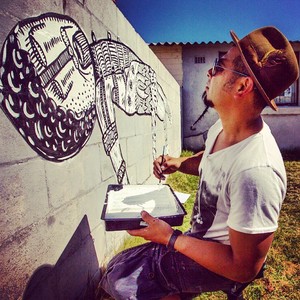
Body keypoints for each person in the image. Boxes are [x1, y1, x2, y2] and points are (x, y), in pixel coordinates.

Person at [100, 26, 299, 299]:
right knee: (131, 272)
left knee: (119, 275)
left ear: (243, 86)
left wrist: (171, 238)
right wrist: (178, 163)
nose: (210, 71)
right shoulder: (223, 128)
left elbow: (244, 268)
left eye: (219, 65)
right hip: (197, 241)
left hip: (221, 263)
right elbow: (209, 160)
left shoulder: (257, 171)